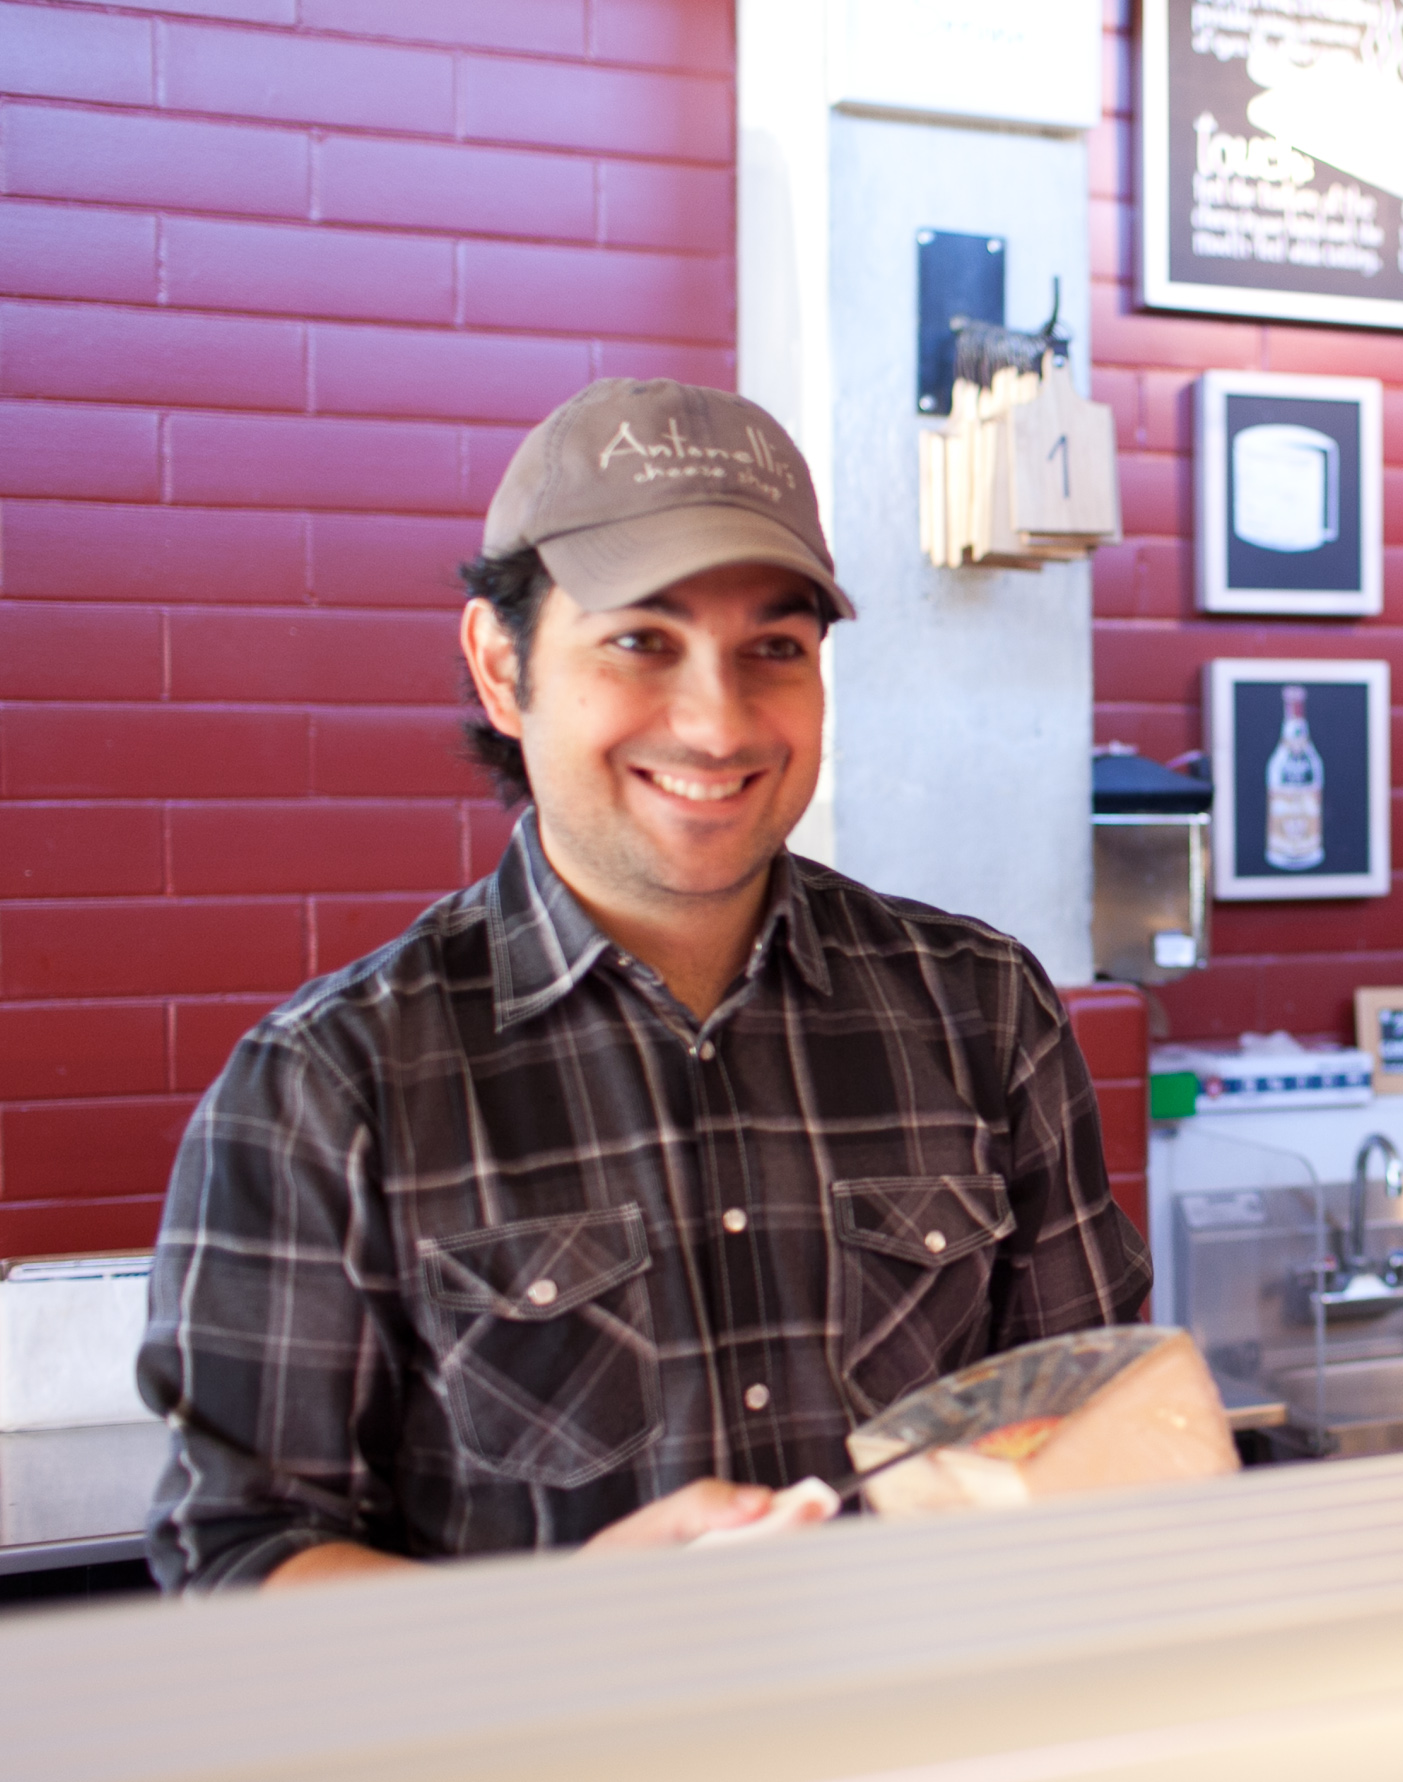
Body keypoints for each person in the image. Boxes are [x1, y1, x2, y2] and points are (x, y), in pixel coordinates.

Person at [141, 379, 1150, 1590]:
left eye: (772, 648)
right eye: (640, 640)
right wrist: (568, 1625)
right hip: (554, 1775)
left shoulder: (983, 1010)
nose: (718, 724)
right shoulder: (326, 1083)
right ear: (500, 665)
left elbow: (1090, 1436)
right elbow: (241, 1557)